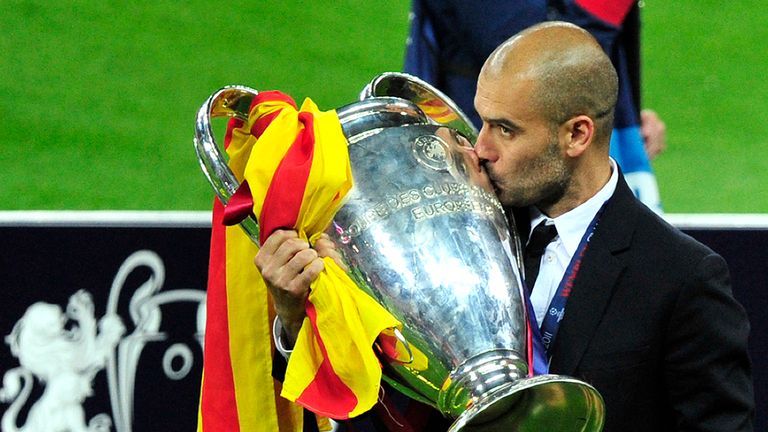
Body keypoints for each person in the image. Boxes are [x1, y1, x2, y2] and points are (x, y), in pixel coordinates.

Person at [257, 22, 754, 431]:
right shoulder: (443, 226)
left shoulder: (682, 278)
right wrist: (297, 317)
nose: (479, 148)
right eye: (483, 121)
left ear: (577, 134)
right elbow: (373, 398)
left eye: (505, 129)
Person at [404, 0, 665, 213]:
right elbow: (534, 54)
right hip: (493, 154)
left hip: (577, 140)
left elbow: (598, 57)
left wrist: (619, 112)